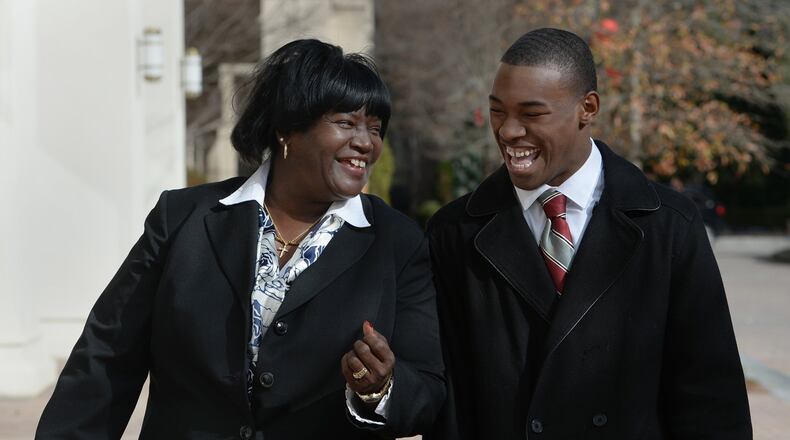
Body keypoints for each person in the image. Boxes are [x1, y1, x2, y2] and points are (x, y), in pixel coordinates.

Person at [36, 39, 445, 439]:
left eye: (375, 128)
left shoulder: (398, 243)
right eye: (346, 123)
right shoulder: (182, 218)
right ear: (288, 127)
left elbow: (427, 390)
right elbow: (107, 359)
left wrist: (381, 389)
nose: (366, 143)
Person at [427, 28, 751, 439]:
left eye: (531, 114)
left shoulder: (669, 226)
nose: (508, 131)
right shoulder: (452, 233)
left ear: (588, 108)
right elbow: (449, 405)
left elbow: (712, 400)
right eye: (497, 111)